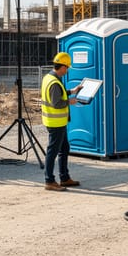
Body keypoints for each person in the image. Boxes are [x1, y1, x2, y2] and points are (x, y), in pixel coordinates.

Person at [40, 52, 82, 192]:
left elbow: (60, 92)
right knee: (53, 151)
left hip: (58, 122)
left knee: (64, 149)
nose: (68, 70)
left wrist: (72, 91)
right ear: (62, 66)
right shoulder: (53, 82)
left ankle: (64, 177)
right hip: (55, 122)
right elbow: (57, 103)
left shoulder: (50, 77)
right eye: (67, 67)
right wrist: (69, 101)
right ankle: (49, 181)